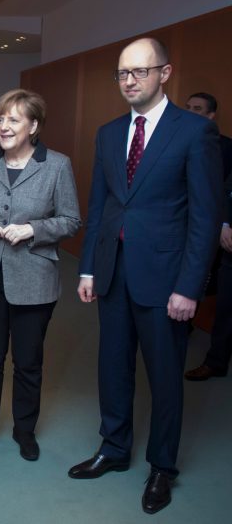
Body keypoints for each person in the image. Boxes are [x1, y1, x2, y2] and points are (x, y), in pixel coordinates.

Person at [68, 38, 223, 515]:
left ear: (165, 73)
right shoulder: (109, 133)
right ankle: (113, 449)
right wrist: (89, 266)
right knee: (112, 370)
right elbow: (101, 207)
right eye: (122, 73)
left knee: (164, 379)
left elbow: (205, 217)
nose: (129, 81)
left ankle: (162, 468)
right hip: (113, 274)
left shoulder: (194, 133)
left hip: (166, 282)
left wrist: (189, 287)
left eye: (139, 71)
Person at [0, 89, 81, 461]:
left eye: (13, 119)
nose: (4, 126)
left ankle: (25, 431)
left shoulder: (57, 165)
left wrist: (32, 230)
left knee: (28, 362)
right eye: (0, 119)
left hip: (34, 280)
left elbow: (72, 220)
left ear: (34, 125)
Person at [184, 92, 232, 381]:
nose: (192, 112)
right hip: (191, 227)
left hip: (212, 229)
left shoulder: (226, 147)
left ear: (211, 115)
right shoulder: (171, 140)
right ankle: (184, 327)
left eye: (198, 109)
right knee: (197, 279)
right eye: (188, 108)